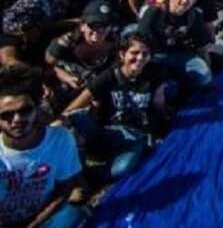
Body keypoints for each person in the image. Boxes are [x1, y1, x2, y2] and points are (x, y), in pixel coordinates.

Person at [63, 33, 177, 181]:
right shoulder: (108, 76)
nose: (140, 58)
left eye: (145, 54)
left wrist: (165, 115)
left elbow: (160, 104)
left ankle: (88, 175)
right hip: (106, 130)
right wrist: (60, 122)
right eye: (135, 53)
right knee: (73, 118)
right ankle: (76, 165)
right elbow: (75, 106)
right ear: (123, 54)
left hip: (133, 136)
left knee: (121, 169)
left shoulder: (155, 74)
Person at [0, 64, 87, 228]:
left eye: (25, 110)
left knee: (74, 215)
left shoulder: (60, 139)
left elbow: (64, 188)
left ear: (37, 108)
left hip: (43, 215)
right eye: (7, 115)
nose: (17, 119)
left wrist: (34, 224)